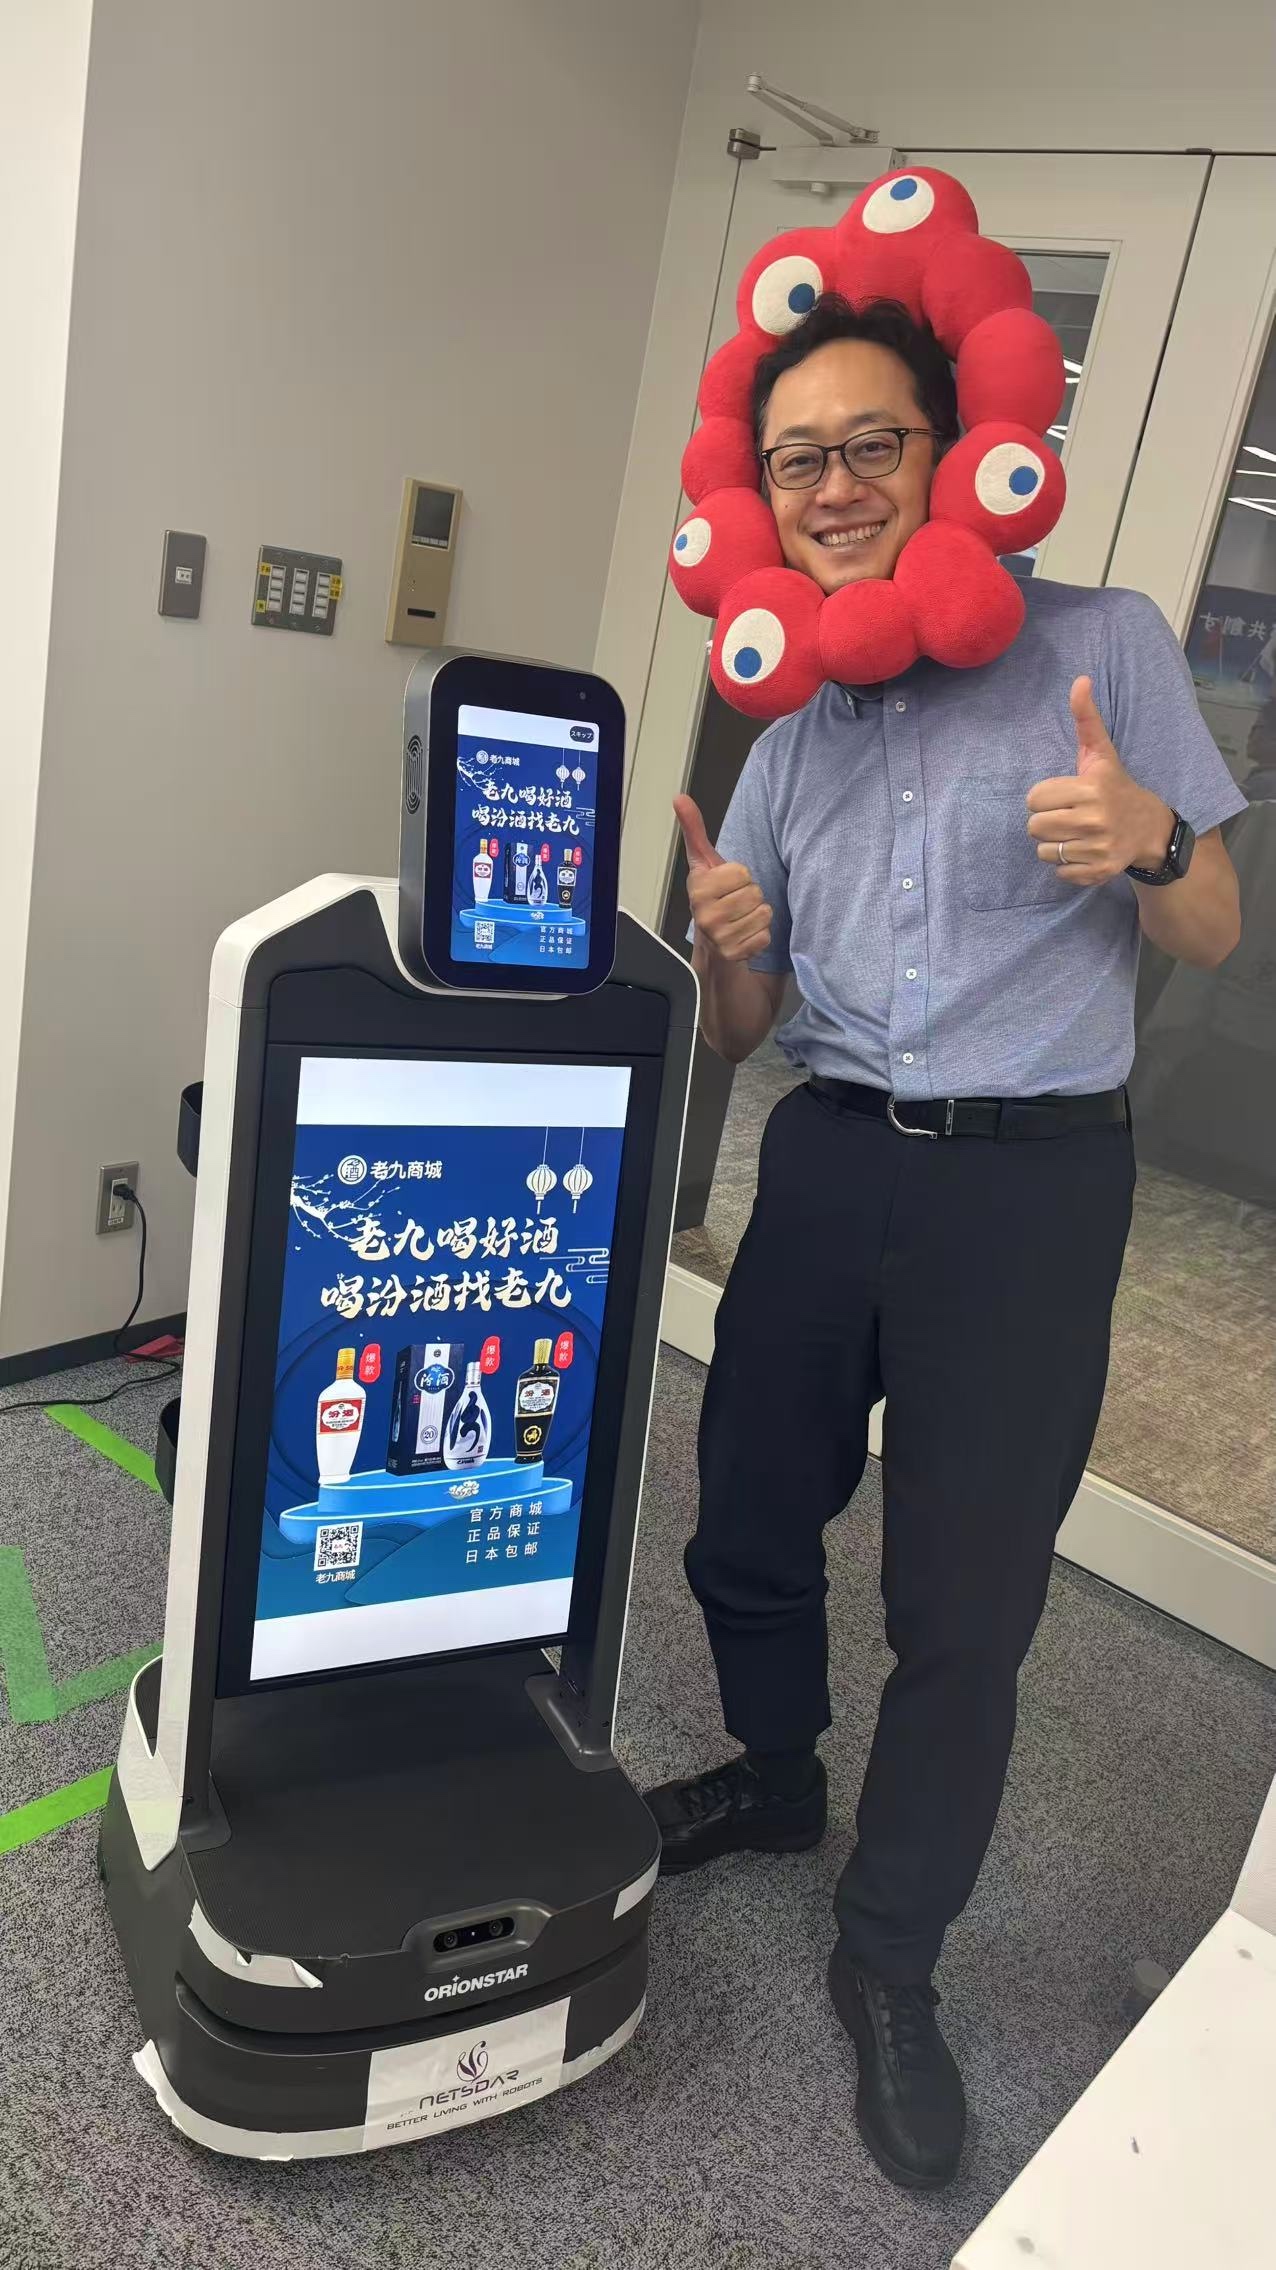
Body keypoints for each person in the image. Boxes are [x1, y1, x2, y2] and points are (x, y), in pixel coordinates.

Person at [647, 296, 1246, 2192]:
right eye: (798, 460)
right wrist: (729, 954)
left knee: (966, 1608)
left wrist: (1153, 839)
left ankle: (890, 1954)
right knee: (745, 1518)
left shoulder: (1100, 645)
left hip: (1030, 1189)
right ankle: (776, 1773)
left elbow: (1216, 923)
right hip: (829, 1158)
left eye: (870, 444)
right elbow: (747, 1033)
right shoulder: (787, 729)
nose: (834, 487)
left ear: (951, 451)